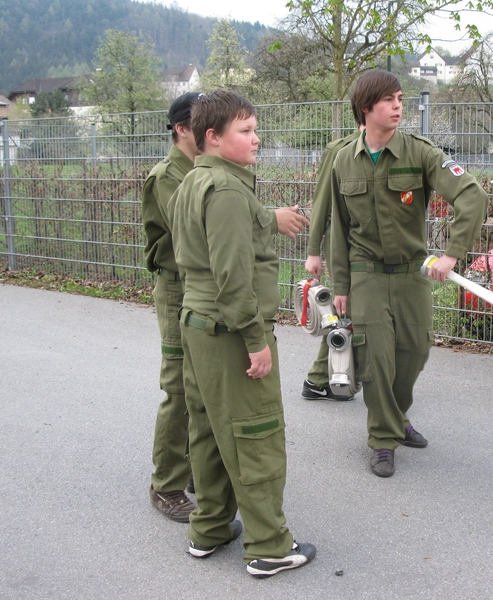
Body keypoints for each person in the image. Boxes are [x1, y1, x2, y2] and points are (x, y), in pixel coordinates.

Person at [168, 90, 315, 577]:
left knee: (209, 431)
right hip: (230, 330)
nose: (257, 139)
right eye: (246, 130)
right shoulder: (227, 190)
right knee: (256, 434)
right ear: (213, 137)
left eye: (255, 129)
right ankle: (269, 546)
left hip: (198, 324)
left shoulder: (195, 180)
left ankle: (209, 528)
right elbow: (232, 276)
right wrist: (255, 340)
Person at [330, 70, 488, 478]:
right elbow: (339, 227)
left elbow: (472, 196)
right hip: (366, 273)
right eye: (389, 100)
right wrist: (341, 284)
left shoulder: (421, 152)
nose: (399, 106)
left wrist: (452, 254)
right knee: (376, 360)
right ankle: (382, 438)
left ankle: (397, 417)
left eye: (401, 98)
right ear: (366, 107)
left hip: (411, 273)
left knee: (415, 352)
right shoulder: (343, 159)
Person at [302, 125, 363, 401]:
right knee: (347, 310)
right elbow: (322, 202)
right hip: (343, 243)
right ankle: (319, 378)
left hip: (373, 247)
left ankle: (331, 375)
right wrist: (313, 250)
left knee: (356, 311)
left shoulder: (392, 148)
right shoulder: (340, 150)